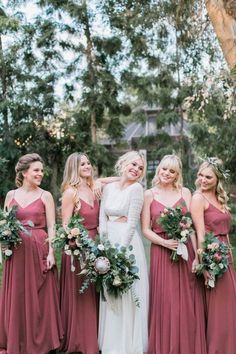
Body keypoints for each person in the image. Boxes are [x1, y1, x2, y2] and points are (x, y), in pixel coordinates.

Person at [142, 154, 207, 354]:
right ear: (158, 169)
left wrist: (197, 256)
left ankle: (187, 344)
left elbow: (193, 227)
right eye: (164, 169)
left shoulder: (185, 192)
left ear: (177, 174)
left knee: (187, 297)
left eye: (172, 171)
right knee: (165, 298)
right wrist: (164, 242)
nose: (167, 174)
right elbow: (145, 229)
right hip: (162, 251)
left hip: (185, 250)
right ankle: (165, 346)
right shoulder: (149, 195)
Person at [0, 153, 63, 354]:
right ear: (25, 172)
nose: (40, 174)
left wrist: (52, 252)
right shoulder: (11, 195)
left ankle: (41, 341)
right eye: (36, 170)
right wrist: (3, 242)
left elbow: (52, 225)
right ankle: (17, 339)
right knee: (18, 295)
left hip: (39, 250)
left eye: (42, 171)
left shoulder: (46, 195)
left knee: (40, 297)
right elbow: (4, 224)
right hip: (16, 253)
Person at [59, 152, 118, 354]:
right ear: (73, 168)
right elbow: (65, 225)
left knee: (95, 290)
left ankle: (96, 335)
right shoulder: (70, 193)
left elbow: (121, 179)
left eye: (88, 163)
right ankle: (79, 338)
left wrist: (100, 181)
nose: (86, 166)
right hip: (78, 248)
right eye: (81, 164)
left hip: (97, 245)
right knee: (80, 292)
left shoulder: (95, 187)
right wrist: (78, 244)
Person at [98, 150, 149, 354]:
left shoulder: (137, 189)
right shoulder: (108, 188)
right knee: (109, 290)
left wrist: (120, 252)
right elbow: (102, 216)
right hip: (107, 239)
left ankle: (128, 343)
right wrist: (103, 245)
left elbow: (132, 223)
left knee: (126, 290)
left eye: (140, 168)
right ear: (124, 163)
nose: (136, 169)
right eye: (133, 164)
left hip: (126, 245)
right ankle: (112, 341)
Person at [191, 157, 236, 354]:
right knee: (219, 306)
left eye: (208, 176)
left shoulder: (220, 198)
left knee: (230, 303)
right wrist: (205, 264)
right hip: (212, 255)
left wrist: (230, 252)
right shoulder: (198, 198)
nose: (203, 179)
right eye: (201, 175)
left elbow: (226, 230)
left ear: (217, 179)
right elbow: (200, 233)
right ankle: (218, 349)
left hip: (226, 255)